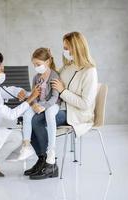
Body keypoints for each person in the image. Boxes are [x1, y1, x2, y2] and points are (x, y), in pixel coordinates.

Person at [25, 32, 98, 180]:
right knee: (30, 118)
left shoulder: (89, 71)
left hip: (76, 113)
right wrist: (48, 62)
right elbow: (53, 78)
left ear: (77, 48)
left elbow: (85, 104)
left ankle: (50, 163)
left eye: (67, 47)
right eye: (63, 47)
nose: (64, 51)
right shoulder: (68, 67)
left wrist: (63, 91)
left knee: (37, 121)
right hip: (62, 108)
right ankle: (42, 159)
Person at [16, 47, 60, 163]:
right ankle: (26, 145)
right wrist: (34, 104)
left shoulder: (54, 76)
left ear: (48, 61)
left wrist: (44, 107)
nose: (36, 67)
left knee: (50, 114)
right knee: (27, 115)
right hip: (39, 103)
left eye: (38, 64)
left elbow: (55, 97)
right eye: (34, 65)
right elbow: (34, 94)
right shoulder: (36, 77)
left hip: (52, 104)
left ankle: (51, 149)